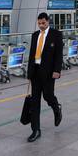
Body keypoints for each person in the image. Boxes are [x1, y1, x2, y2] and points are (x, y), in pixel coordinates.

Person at [26, 12, 64, 142]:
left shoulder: (56, 35)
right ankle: (36, 130)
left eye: (43, 23)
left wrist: (57, 70)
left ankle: (56, 107)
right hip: (35, 72)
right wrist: (29, 73)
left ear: (48, 21)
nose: (41, 25)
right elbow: (31, 54)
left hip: (48, 72)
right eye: (39, 23)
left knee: (48, 96)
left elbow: (59, 55)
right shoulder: (35, 35)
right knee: (35, 102)